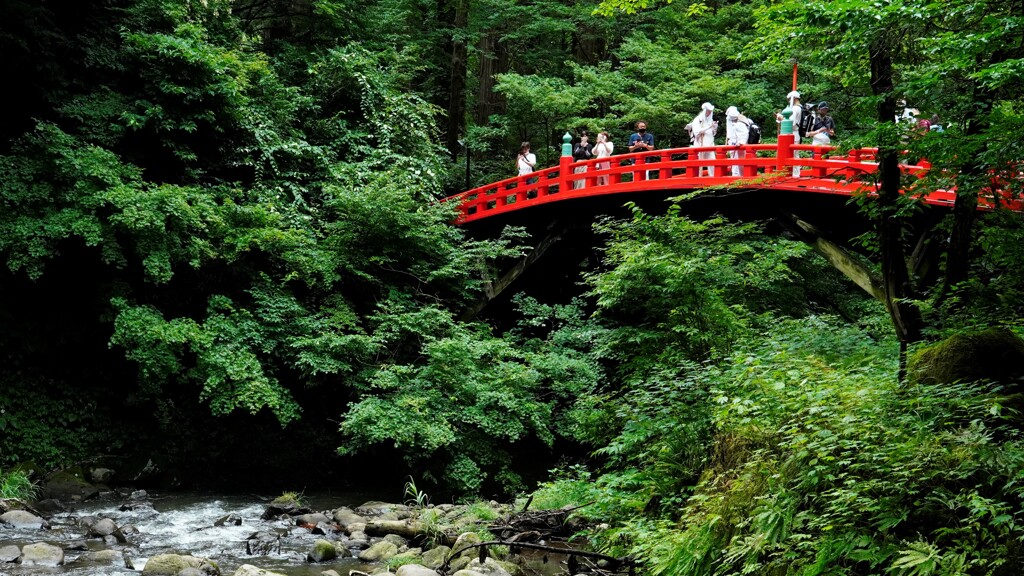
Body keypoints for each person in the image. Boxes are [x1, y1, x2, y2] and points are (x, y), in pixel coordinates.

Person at [776, 90, 803, 176]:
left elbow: (792, 122)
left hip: (792, 133)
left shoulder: (795, 108)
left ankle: (793, 175)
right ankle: (795, 174)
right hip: (796, 133)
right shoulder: (800, 108)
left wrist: (781, 118)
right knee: (795, 155)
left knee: (793, 155)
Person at [691, 102, 718, 176]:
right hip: (700, 144)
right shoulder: (698, 120)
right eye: (708, 111)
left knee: (712, 161)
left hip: (710, 144)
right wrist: (708, 127)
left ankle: (713, 178)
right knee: (699, 163)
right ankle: (699, 178)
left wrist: (714, 128)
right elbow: (696, 132)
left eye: (710, 112)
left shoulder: (710, 121)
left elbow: (712, 133)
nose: (709, 113)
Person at [725, 106, 751, 177]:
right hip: (734, 144)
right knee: (735, 162)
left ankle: (738, 177)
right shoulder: (740, 121)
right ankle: (736, 176)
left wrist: (741, 142)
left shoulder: (740, 123)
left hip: (738, 146)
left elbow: (744, 133)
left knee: (738, 162)